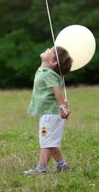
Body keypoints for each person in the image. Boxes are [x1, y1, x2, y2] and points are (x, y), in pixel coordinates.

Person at [24, 46, 73, 175]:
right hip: (48, 114)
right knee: (50, 140)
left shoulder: (48, 74)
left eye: (50, 50)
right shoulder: (44, 71)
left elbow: (56, 90)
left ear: (53, 62)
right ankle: (62, 165)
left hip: (51, 115)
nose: (47, 48)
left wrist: (63, 106)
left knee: (46, 141)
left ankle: (41, 168)